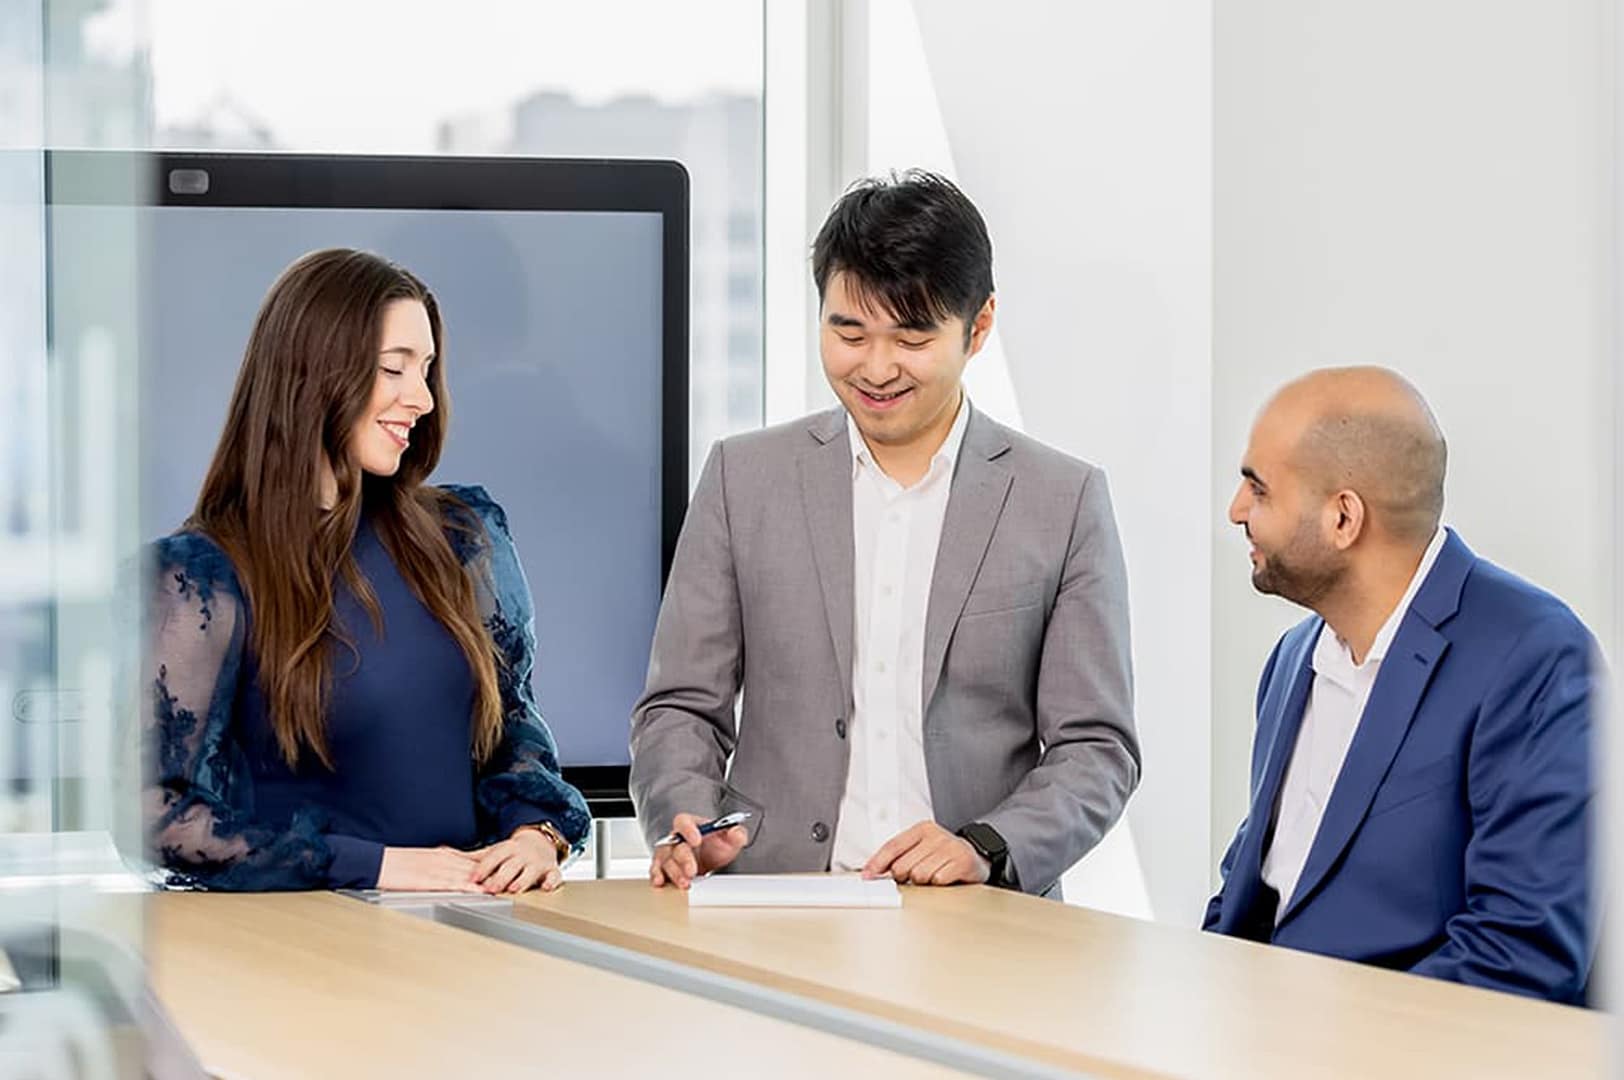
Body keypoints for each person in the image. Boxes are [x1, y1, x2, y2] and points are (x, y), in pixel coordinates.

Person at [631, 171, 1139, 896]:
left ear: (979, 326)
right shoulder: (744, 478)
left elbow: (1097, 748)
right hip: (774, 906)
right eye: (848, 331)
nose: (874, 368)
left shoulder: (1062, 500)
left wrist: (985, 847)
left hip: (978, 919)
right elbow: (680, 706)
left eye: (911, 337)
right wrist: (687, 822)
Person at [146, 248, 590, 893]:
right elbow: (159, 816)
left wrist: (535, 834)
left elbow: (511, 731)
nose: (422, 399)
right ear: (312, 375)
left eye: (428, 370)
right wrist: (378, 865)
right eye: (394, 369)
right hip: (299, 945)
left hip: (469, 928)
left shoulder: (463, 536)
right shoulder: (200, 578)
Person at [1205, 367, 1596, 1002]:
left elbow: (1520, 953)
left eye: (1259, 489)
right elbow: (1252, 887)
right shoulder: (1292, 659)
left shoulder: (1535, 656)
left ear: (1343, 518)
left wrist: (1321, 1049)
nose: (1236, 511)